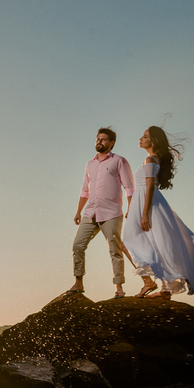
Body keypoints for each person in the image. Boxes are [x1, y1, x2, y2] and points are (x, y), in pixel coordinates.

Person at [122, 126, 194, 299]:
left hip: (148, 203)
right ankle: (163, 286)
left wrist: (144, 214)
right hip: (143, 202)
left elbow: (149, 188)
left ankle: (161, 286)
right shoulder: (150, 159)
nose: (140, 139)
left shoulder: (150, 161)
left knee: (148, 241)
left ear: (153, 141)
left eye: (145, 136)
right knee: (156, 242)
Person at [68, 128, 135, 298]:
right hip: (90, 212)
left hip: (112, 212)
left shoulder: (119, 161)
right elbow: (85, 190)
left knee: (115, 250)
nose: (99, 142)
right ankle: (78, 283)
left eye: (104, 140)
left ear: (111, 143)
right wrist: (78, 211)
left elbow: (129, 186)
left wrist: (131, 208)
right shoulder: (89, 164)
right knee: (78, 245)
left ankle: (118, 288)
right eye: (98, 139)